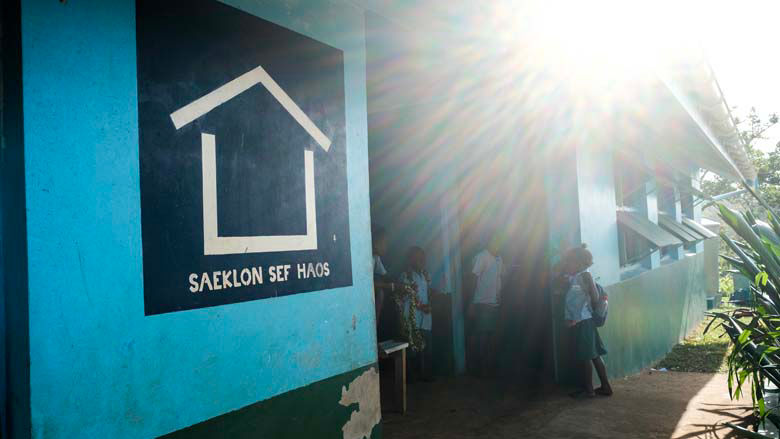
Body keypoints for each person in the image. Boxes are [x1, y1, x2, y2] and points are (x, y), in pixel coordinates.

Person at [561, 244, 612, 398]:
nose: (567, 265)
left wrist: (587, 303)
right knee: (594, 355)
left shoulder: (585, 276)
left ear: (579, 263)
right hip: (584, 320)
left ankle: (589, 390)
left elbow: (595, 297)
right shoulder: (578, 276)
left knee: (586, 357)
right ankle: (605, 387)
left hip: (583, 320)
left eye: (570, 262)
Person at [398, 246, 441, 382]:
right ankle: (410, 378)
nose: (421, 260)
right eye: (418, 257)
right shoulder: (405, 276)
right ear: (411, 259)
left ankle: (426, 375)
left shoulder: (425, 275)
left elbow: (427, 292)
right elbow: (405, 295)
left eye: (423, 257)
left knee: (427, 347)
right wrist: (422, 306)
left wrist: (433, 296)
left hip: (425, 317)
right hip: (412, 316)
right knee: (412, 348)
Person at [467, 234, 504, 377]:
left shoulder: (499, 259)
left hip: (495, 304)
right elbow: (473, 279)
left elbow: (500, 278)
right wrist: (471, 302)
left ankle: (488, 367)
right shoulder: (481, 256)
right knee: (482, 336)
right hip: (482, 303)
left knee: (491, 336)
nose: (499, 245)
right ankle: (481, 369)